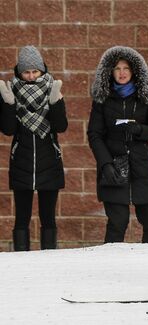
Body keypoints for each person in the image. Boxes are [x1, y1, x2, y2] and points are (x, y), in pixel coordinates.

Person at [87, 46, 148, 243]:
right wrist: (106, 164)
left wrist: (139, 129)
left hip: (142, 167)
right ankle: (111, 267)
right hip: (113, 166)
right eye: (117, 69)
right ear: (110, 72)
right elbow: (94, 135)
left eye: (126, 68)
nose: (122, 73)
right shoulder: (102, 99)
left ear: (134, 71)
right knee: (117, 222)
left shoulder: (146, 97)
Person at [0, 46, 67, 251]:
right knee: (22, 218)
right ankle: (21, 258)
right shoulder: (11, 92)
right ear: (19, 72)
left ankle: (49, 259)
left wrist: (55, 102)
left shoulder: (52, 90)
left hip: (49, 162)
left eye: (35, 71)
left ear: (42, 71)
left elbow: (61, 127)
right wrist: (9, 104)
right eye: (26, 72)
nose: (30, 76)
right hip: (21, 162)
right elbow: (8, 129)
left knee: (48, 218)